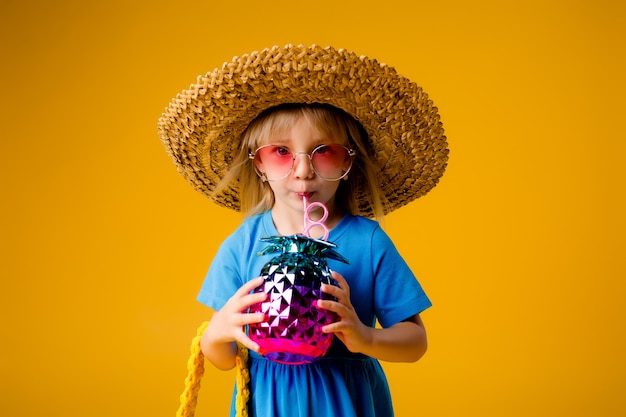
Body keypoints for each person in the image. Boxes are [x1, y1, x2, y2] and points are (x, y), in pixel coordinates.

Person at [158, 44, 449, 417]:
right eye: (280, 152)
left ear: (349, 159)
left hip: (346, 402)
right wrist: (217, 333)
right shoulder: (243, 245)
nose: (302, 171)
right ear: (257, 164)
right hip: (267, 402)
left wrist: (367, 337)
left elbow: (415, 342)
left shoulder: (368, 241)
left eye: (323, 151)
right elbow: (224, 359)